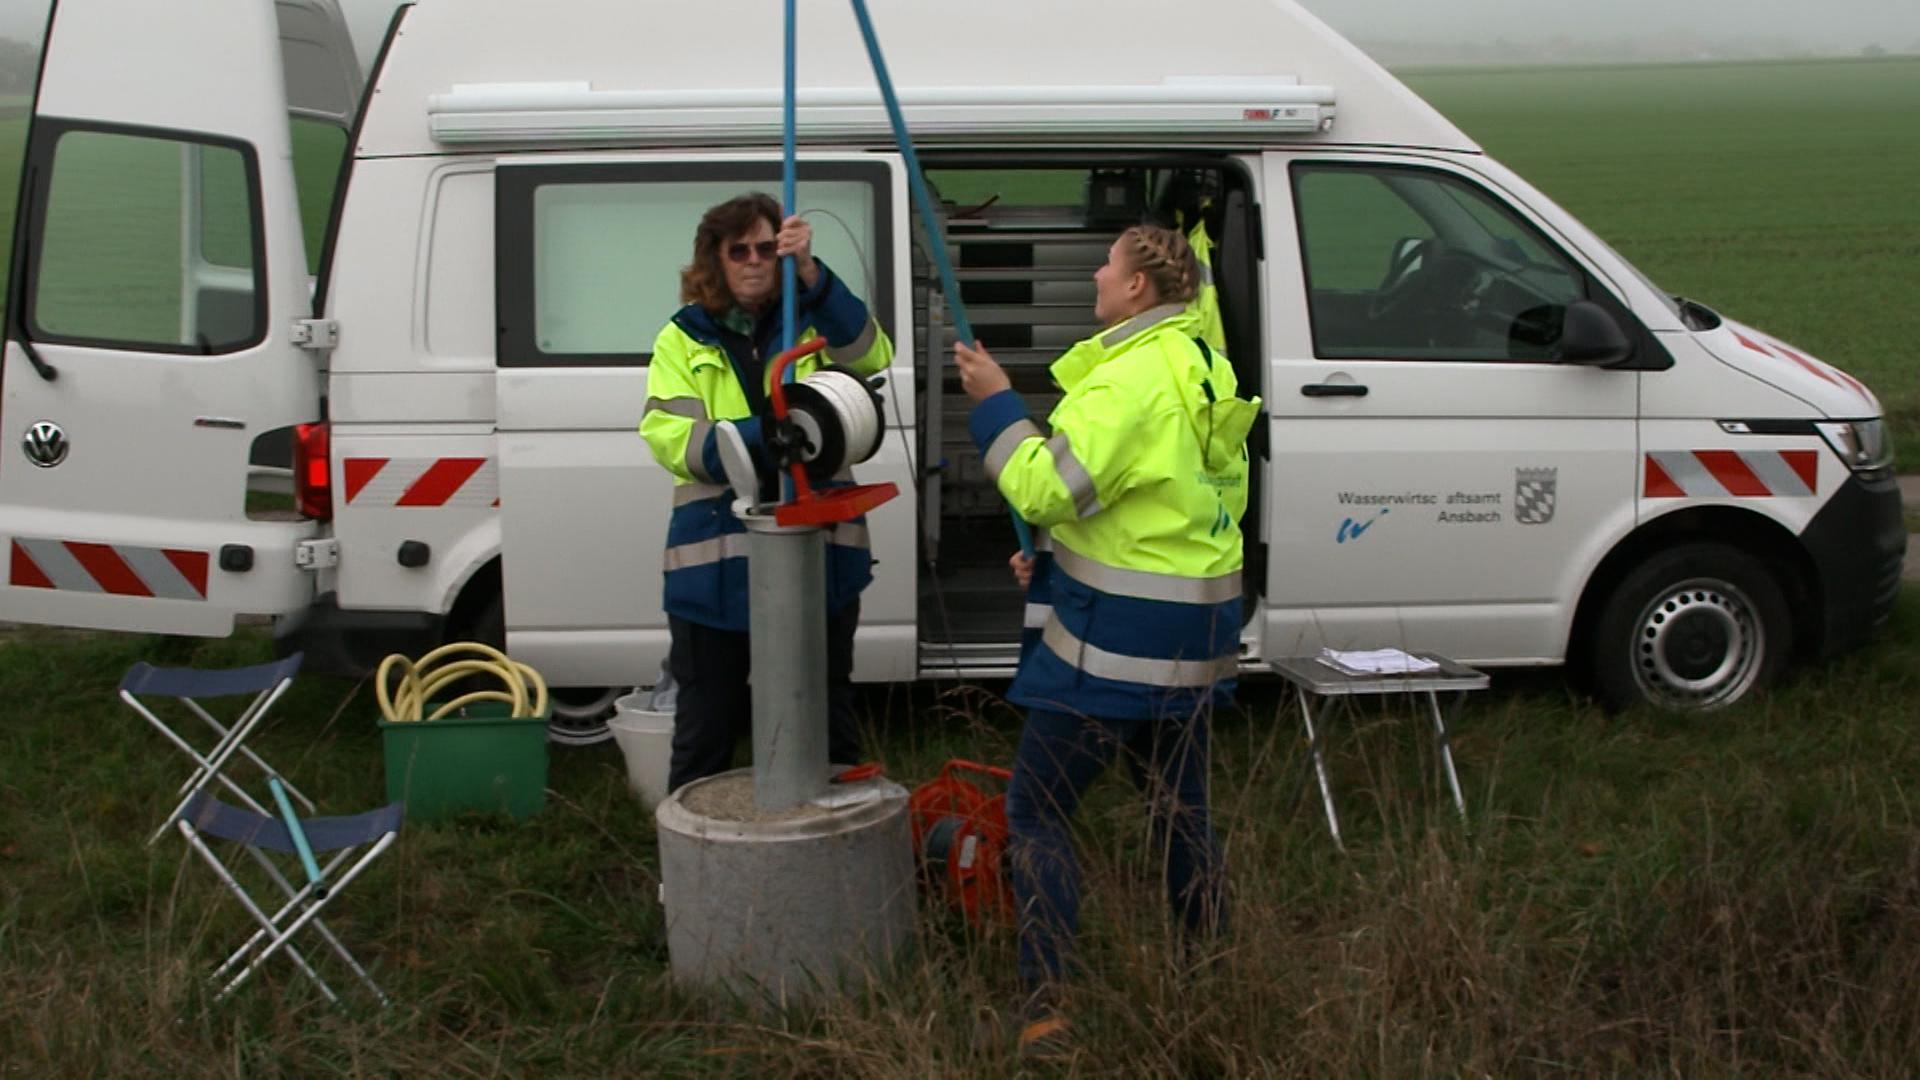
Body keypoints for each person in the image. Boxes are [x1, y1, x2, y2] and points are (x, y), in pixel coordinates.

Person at [952, 224, 1259, 1057]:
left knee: (1037, 810)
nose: (1093, 273)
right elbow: (1166, 509)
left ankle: (1046, 1012)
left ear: (1136, 288)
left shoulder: (1126, 381)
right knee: (1180, 814)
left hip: (1118, 645)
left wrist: (996, 404)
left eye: (1107, 264)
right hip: (1197, 638)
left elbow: (1044, 488)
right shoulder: (1202, 365)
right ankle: (1212, 977)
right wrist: (1055, 560)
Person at [639, 193, 892, 793]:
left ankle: (835, 842)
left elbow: (871, 354)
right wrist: (775, 434)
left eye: (765, 249)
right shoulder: (681, 339)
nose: (753, 261)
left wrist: (811, 273)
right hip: (715, 575)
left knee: (827, 722)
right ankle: (693, 850)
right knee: (706, 730)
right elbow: (671, 438)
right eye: (739, 251)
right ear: (716, 260)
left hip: (820, 564)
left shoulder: (815, 317)